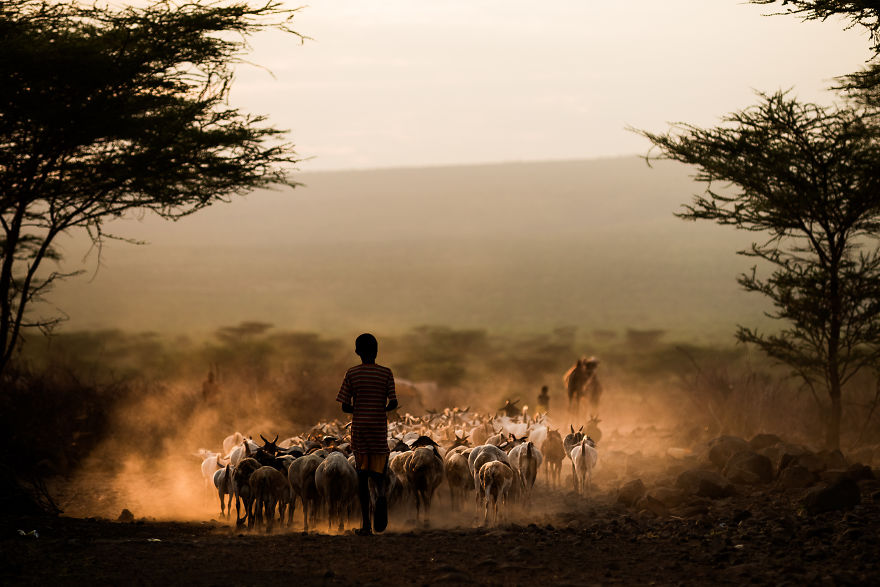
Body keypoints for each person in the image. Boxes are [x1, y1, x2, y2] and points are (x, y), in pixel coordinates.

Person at [336, 333, 398, 535]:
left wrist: (360, 407)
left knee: (362, 478)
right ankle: (381, 497)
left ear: (357, 352)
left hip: (360, 430)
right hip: (379, 430)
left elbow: (345, 406)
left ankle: (365, 525)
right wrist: (380, 407)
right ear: (377, 351)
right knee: (378, 475)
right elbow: (394, 402)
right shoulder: (386, 373)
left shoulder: (352, 374)